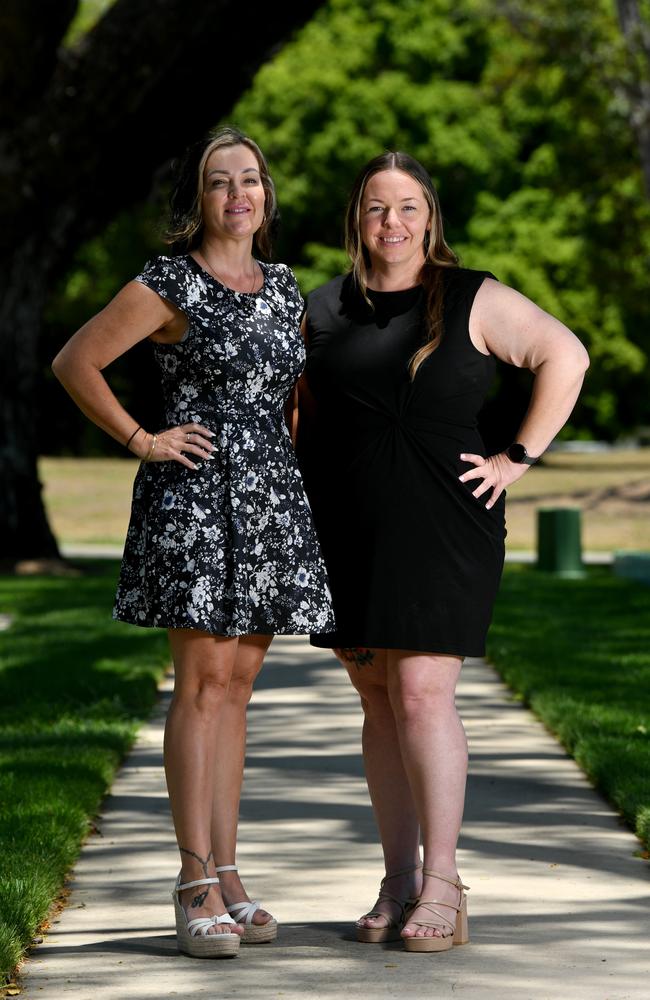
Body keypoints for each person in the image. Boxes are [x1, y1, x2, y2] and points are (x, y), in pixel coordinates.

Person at [52, 126, 335, 959]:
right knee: (202, 685)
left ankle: (230, 870)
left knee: (240, 687)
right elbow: (77, 361)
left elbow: (290, 397)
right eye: (221, 182)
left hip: (269, 498)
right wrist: (144, 439)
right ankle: (190, 880)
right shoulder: (169, 281)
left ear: (267, 195)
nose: (239, 195)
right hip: (198, 498)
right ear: (198, 199)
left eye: (251, 180)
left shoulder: (285, 288)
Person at [298, 151, 589, 954]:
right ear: (356, 219)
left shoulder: (472, 296)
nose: (392, 224)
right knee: (378, 703)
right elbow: (298, 412)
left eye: (408, 208)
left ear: (431, 217)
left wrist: (516, 458)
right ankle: (396, 880)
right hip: (348, 527)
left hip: (445, 525)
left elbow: (567, 356)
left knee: (423, 693)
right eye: (376, 208)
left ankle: (444, 882)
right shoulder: (322, 307)